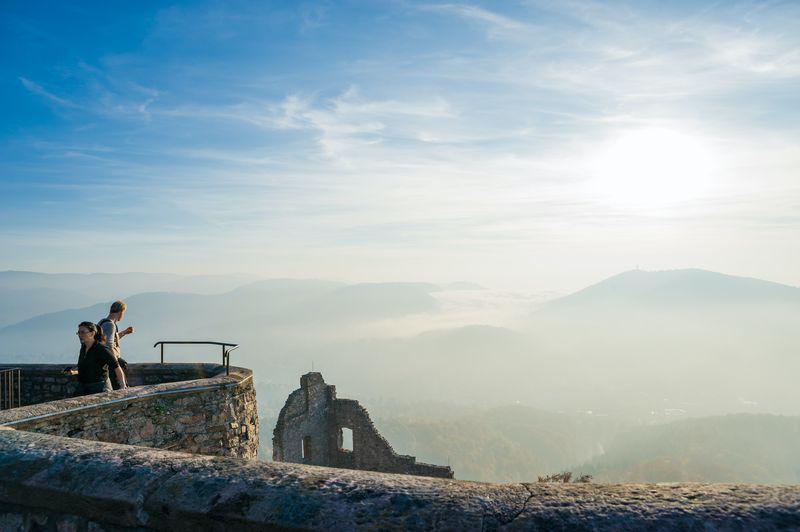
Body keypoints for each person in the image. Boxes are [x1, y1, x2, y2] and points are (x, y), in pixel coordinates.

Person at [76, 321, 126, 395]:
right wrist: (73, 370)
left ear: (92, 333)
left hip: (100, 388)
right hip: (84, 388)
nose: (80, 335)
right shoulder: (83, 348)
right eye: (79, 332)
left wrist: (122, 386)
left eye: (83, 332)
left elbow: (116, 366)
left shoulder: (101, 349)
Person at [98, 300, 133, 389]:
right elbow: (109, 345)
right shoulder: (110, 325)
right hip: (111, 365)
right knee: (119, 390)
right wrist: (116, 364)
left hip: (104, 362)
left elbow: (112, 339)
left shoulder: (102, 322)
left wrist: (124, 332)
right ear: (121, 312)